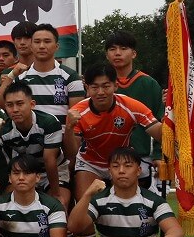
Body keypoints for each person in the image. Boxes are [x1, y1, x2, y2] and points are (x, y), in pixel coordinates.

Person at [67, 147, 192, 237]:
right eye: (115, 166)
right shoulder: (99, 199)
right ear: (109, 171)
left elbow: (176, 230)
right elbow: (74, 227)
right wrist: (88, 194)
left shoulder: (153, 200)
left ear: (138, 170)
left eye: (128, 166)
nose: (121, 170)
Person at [67, 63, 162, 198]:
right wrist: (69, 128)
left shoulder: (131, 106)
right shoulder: (77, 112)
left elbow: (159, 134)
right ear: (87, 88)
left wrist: (174, 117)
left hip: (120, 162)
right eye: (95, 87)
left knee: (129, 206)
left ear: (115, 86)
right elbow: (72, 152)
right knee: (86, 207)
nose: (100, 92)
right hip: (90, 163)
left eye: (106, 86)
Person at [0, 80, 63, 199]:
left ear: (32, 104)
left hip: (54, 171)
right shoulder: (4, 128)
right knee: (1, 204)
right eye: (9, 105)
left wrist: (56, 195)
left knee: (58, 205)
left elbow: (49, 161)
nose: (15, 109)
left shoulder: (49, 123)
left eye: (20, 103)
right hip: (23, 173)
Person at [104, 31, 166, 181]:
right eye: (112, 49)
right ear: (107, 55)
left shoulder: (148, 84)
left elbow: (162, 120)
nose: (117, 53)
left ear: (134, 54)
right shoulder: (99, 85)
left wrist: (159, 154)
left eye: (123, 48)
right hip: (105, 158)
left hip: (141, 158)